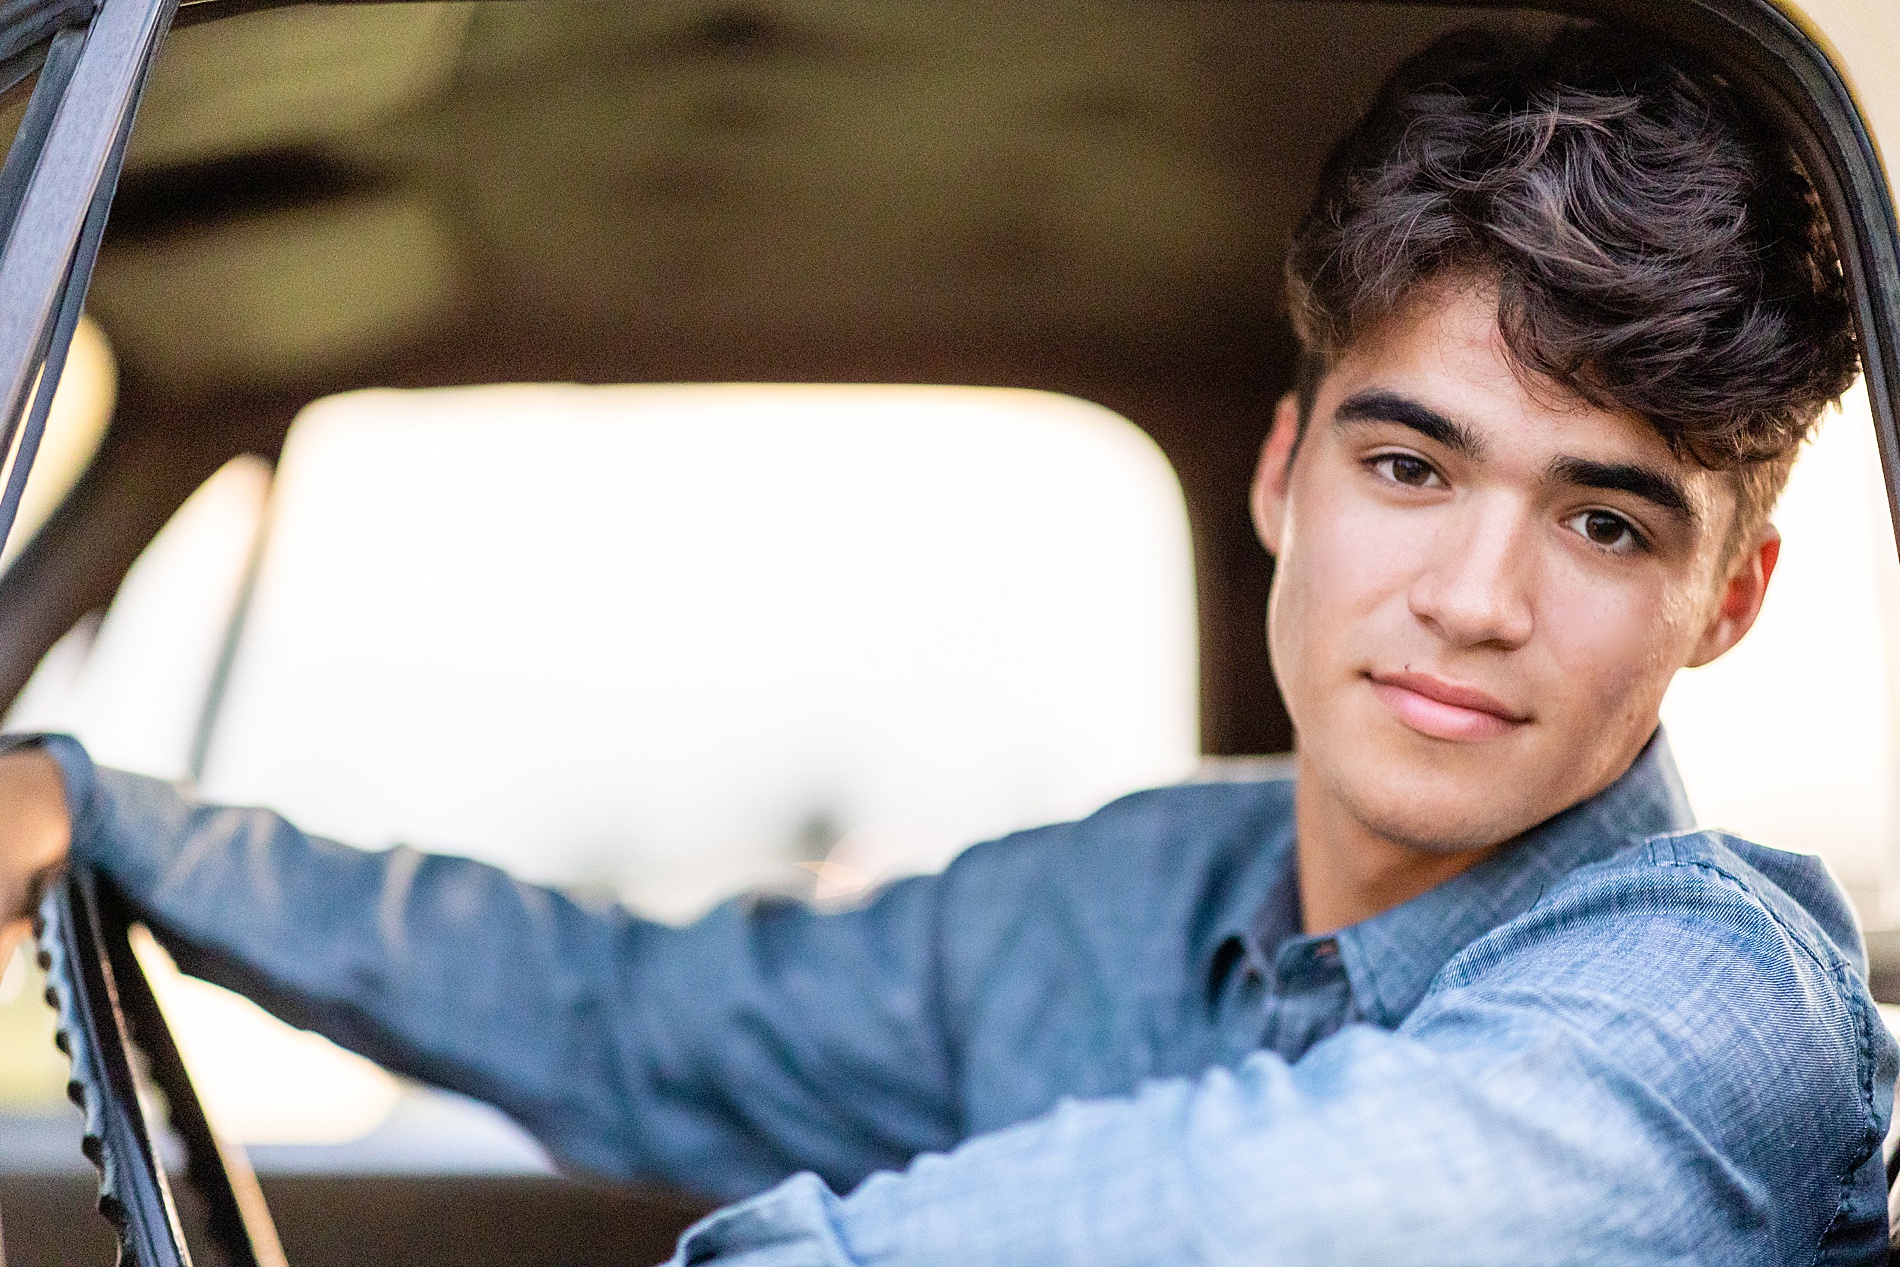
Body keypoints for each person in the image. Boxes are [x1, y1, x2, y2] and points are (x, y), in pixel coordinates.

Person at [0, 22, 1890, 1265]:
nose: (1478, 594)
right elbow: (635, 1016)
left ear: (1727, 600)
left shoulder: (1725, 1009)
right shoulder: (1147, 892)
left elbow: (1268, 1219)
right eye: (1414, 464)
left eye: (1605, 518)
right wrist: (106, 822)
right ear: (1287, 475)